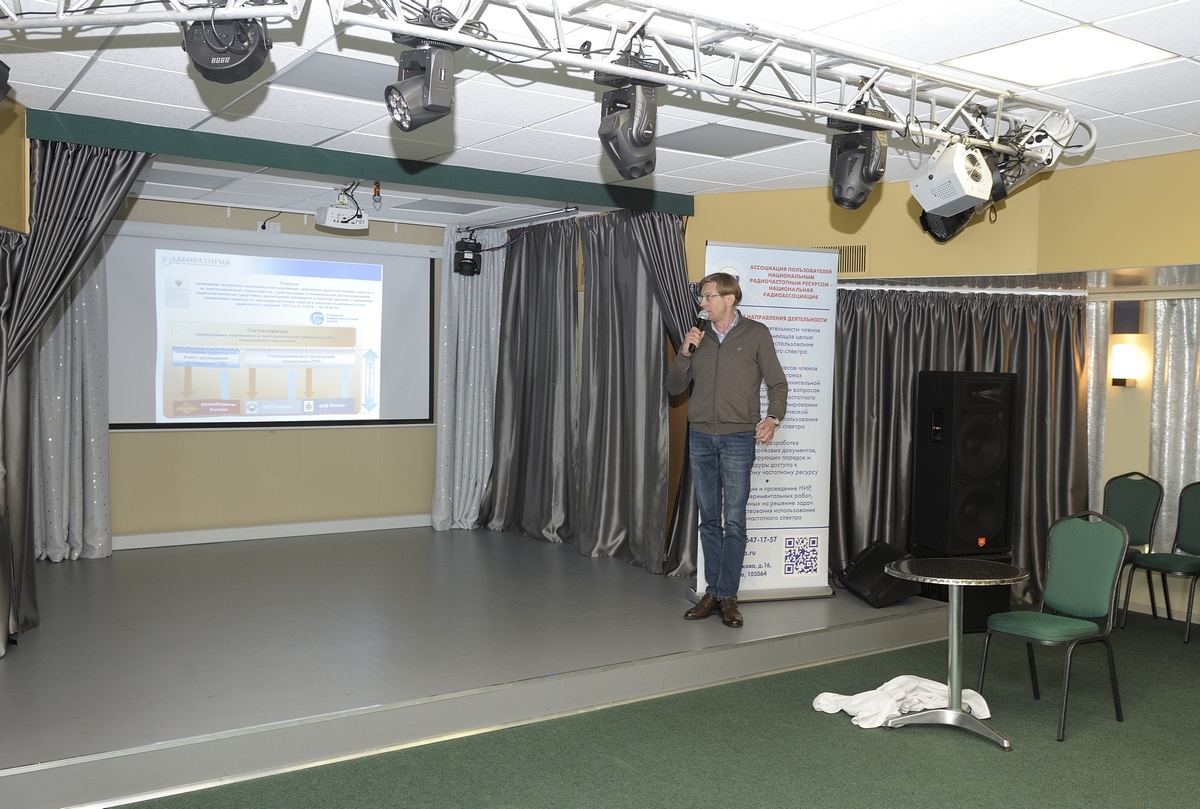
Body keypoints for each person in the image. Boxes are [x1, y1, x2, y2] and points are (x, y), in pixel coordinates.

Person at [667, 272, 787, 628]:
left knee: (733, 519)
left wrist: (773, 418)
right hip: (700, 437)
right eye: (701, 297)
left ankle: (728, 596)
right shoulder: (697, 337)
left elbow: (777, 383)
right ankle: (712, 594)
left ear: (729, 299)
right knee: (708, 519)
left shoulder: (756, 333)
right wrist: (685, 352)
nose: (702, 303)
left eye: (708, 296)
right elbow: (674, 387)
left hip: (738, 438)